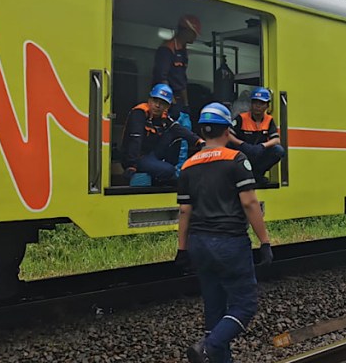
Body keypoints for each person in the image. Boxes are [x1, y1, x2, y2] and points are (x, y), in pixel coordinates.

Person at [176, 102, 273, 363]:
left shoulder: (188, 165)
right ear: (227, 130)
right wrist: (265, 242)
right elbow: (250, 203)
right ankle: (208, 347)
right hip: (229, 242)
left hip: (198, 243)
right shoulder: (236, 160)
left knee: (214, 306)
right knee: (245, 306)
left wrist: (181, 248)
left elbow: (185, 211)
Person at [121, 84, 203, 184]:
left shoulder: (163, 117)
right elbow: (135, 139)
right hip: (137, 158)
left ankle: (160, 168)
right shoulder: (139, 113)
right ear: (149, 100)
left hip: (151, 154)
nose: (157, 106)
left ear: (167, 106)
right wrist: (131, 165)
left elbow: (178, 129)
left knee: (174, 131)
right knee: (169, 171)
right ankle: (160, 174)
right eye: (155, 101)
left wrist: (198, 141)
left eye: (162, 103)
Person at [229, 87, 284, 185]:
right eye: (255, 103)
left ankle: (257, 175)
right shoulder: (241, 118)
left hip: (258, 152)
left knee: (278, 150)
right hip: (243, 152)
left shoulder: (269, 120)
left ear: (267, 106)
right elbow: (228, 135)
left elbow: (276, 140)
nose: (257, 106)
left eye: (261, 103)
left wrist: (262, 146)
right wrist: (242, 144)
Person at [153, 14, 201, 115]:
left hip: (178, 100)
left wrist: (186, 104)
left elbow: (182, 80)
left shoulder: (183, 51)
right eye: (194, 33)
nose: (195, 37)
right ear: (186, 31)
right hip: (166, 100)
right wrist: (171, 101)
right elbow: (162, 78)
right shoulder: (167, 49)